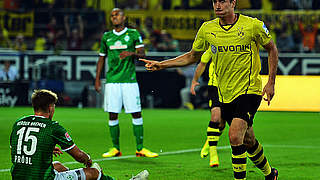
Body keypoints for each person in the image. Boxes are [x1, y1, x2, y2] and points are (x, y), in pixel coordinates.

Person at [140, 0, 279, 179]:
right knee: (248, 139)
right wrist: (162, 65)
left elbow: (272, 49)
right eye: (215, 1)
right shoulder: (207, 29)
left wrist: (271, 82)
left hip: (249, 89)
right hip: (224, 92)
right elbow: (192, 56)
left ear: (233, 3)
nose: (217, 5)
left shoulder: (252, 25)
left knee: (235, 136)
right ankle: (270, 174)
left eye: (222, 1)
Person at [10, 89, 149, 180]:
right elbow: (78, 156)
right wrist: (88, 160)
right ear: (51, 108)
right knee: (94, 173)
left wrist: (45, 148)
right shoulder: (53, 127)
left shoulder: (19, 123)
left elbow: (17, 150)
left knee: (58, 165)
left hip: (19, 176)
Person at [95, 8, 158, 158]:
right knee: (112, 114)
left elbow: (143, 54)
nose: (114, 17)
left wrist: (132, 54)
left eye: (117, 15)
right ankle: (115, 148)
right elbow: (101, 58)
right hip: (112, 81)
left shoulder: (133, 34)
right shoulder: (107, 37)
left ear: (124, 17)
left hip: (129, 81)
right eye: (112, 16)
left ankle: (140, 148)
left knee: (136, 113)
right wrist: (97, 79)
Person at [190, 49, 226, 167]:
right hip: (214, 86)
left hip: (231, 87)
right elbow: (202, 63)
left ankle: (208, 143)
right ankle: (213, 154)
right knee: (215, 117)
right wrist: (195, 80)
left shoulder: (236, 45)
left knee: (222, 123)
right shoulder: (214, 45)